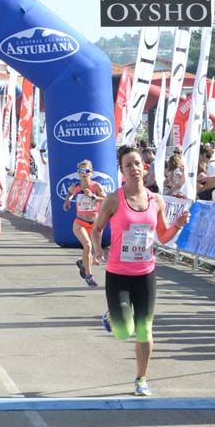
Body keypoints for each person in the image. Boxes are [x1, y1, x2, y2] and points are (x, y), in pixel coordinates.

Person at [90, 145, 190, 397]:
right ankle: (113, 316)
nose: (134, 169)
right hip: (118, 273)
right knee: (124, 331)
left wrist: (177, 225)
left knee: (144, 328)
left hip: (146, 273)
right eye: (128, 165)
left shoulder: (157, 200)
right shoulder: (114, 199)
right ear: (122, 171)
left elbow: (164, 236)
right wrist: (96, 248)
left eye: (137, 164)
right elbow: (97, 229)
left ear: (144, 167)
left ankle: (141, 379)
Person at [63, 159, 106, 287]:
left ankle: (83, 263)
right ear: (78, 173)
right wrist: (67, 201)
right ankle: (89, 276)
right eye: (81, 171)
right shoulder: (76, 186)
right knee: (87, 246)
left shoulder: (96, 186)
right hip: (80, 223)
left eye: (87, 171)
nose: (84, 173)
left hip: (95, 225)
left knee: (95, 251)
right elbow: (69, 194)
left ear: (91, 173)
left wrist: (93, 196)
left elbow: (105, 200)